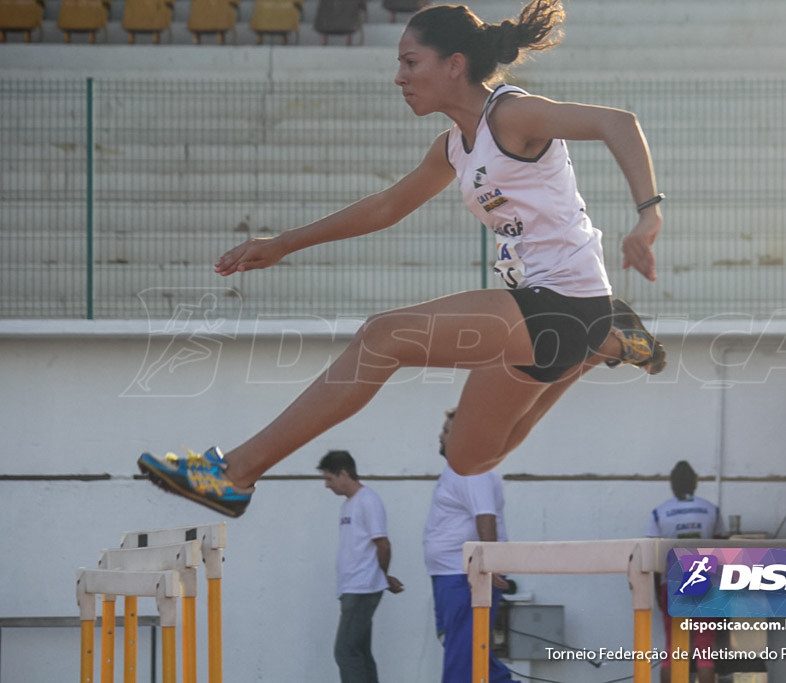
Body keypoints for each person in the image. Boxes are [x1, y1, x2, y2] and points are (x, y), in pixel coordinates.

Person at [138, 0, 666, 518]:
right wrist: (283, 244)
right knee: (467, 459)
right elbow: (387, 206)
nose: (399, 76)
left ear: (454, 64)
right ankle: (600, 349)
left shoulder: (511, 113)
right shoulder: (453, 147)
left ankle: (234, 474)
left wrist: (647, 215)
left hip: (565, 301)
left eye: (411, 62)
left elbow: (618, 123)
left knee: (381, 337)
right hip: (548, 323)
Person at [424, 408, 516, 683]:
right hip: (449, 575)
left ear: (464, 436)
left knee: (462, 659)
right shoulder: (460, 470)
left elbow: (485, 516)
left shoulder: (472, 470)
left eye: (447, 431)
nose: (440, 436)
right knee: (470, 654)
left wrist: (489, 566)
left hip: (464, 577)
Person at [318, 450, 404, 683]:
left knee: (345, 651)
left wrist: (381, 576)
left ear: (344, 473)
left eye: (329, 479)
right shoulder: (348, 505)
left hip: (362, 587)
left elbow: (383, 544)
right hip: (353, 586)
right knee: (360, 652)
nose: (327, 485)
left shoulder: (368, 500)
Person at [646, 460, 725, 683]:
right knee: (704, 650)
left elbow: (652, 554)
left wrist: (656, 592)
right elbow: (724, 550)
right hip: (705, 581)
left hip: (671, 581)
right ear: (695, 483)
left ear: (672, 485)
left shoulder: (660, 513)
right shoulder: (711, 510)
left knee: (672, 649)